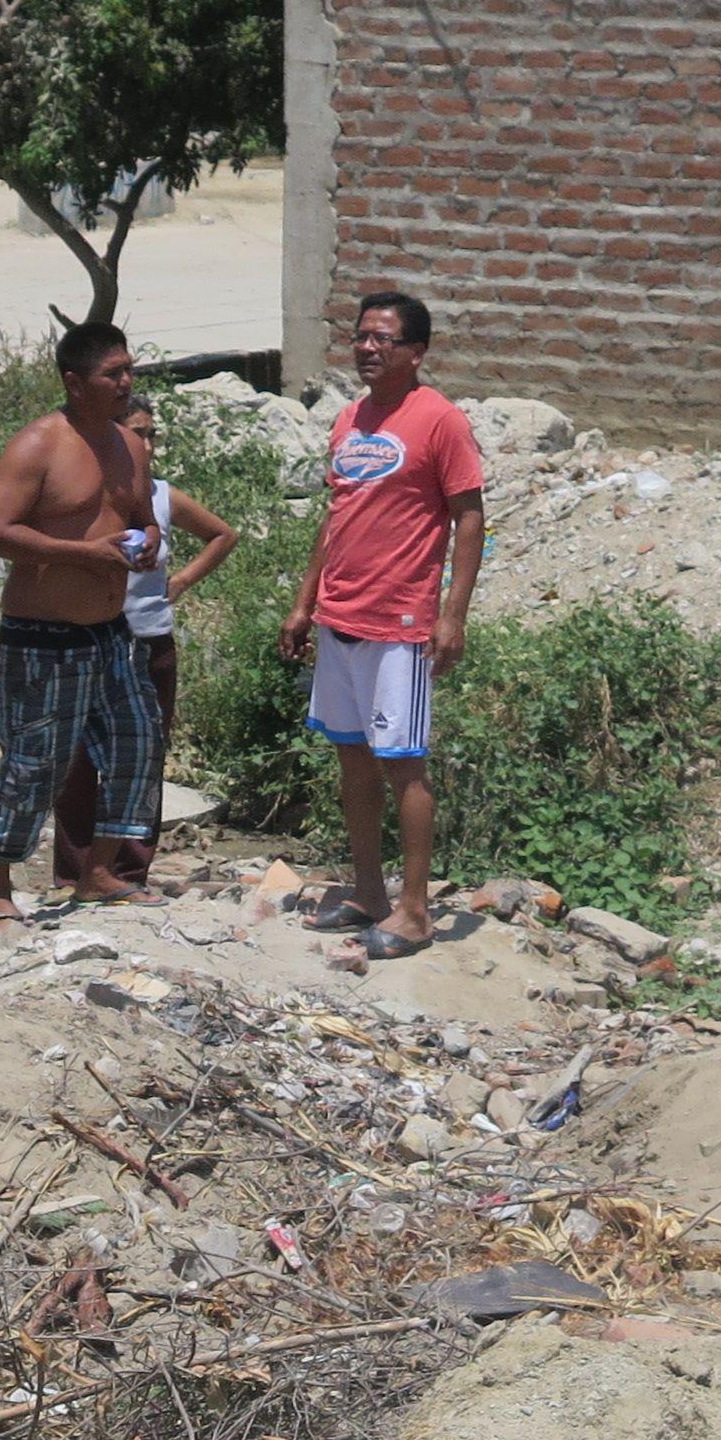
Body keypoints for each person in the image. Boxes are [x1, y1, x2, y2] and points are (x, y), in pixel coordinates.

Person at [279, 288, 485, 961]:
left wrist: (451, 614)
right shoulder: (349, 421)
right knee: (353, 761)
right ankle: (368, 891)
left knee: (403, 766)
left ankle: (417, 910)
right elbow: (336, 517)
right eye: (361, 336)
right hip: (341, 619)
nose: (367, 348)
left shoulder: (439, 422)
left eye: (383, 340)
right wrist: (305, 603)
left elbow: (469, 516)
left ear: (416, 352)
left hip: (401, 625)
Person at [0, 321, 160, 918]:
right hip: (43, 636)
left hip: (111, 632)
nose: (127, 383)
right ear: (75, 382)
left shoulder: (128, 445)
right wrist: (83, 554)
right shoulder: (38, 444)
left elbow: (141, 511)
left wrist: (150, 538)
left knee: (138, 742)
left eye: (130, 369)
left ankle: (98, 870)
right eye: (114, 374)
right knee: (35, 764)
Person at [52, 391, 234, 889]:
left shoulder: (161, 496)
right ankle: (75, 871)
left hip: (148, 640)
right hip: (88, 639)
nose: (148, 444)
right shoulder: (85, 492)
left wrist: (180, 582)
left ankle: (128, 869)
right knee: (77, 761)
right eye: (138, 433)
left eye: (153, 434)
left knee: (142, 758)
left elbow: (222, 535)